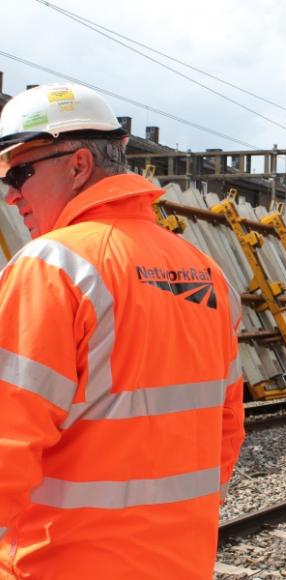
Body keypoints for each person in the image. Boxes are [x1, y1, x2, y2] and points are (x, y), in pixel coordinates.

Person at [0, 82, 245, 579]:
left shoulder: (55, 266)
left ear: (78, 165)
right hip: (180, 563)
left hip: (61, 565)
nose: (11, 193)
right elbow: (226, 428)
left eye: (21, 171)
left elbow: (7, 436)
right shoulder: (205, 272)